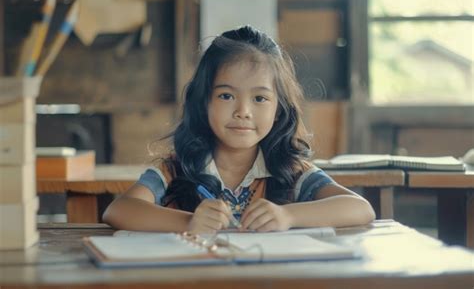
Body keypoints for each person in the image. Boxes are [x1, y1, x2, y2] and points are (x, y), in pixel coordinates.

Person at [103, 26, 375, 234]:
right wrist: (189, 221)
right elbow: (119, 210)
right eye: (226, 96)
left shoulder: (291, 171)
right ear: (204, 101)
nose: (242, 111)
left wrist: (288, 216)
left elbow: (360, 208)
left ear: (278, 109)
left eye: (259, 98)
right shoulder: (177, 168)